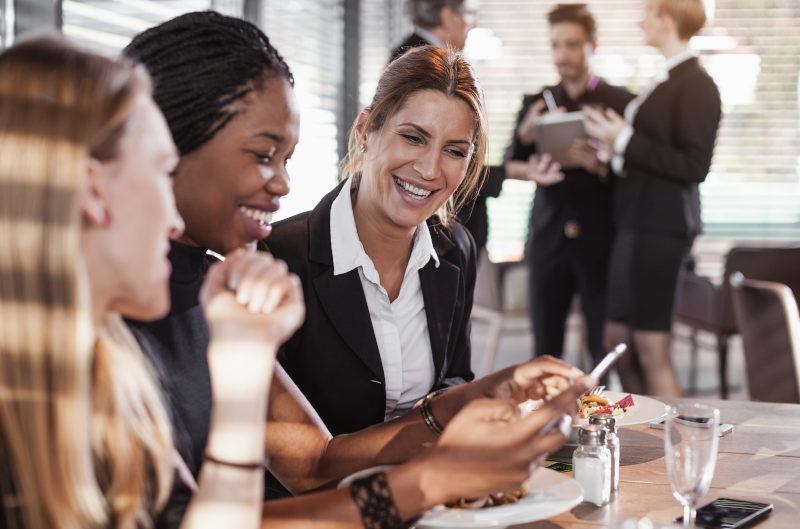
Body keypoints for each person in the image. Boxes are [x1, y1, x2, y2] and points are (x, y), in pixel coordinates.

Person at [122, 11, 596, 528]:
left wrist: (484, 395)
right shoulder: (195, 288)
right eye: (263, 154)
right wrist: (431, 480)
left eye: (286, 158)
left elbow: (306, 464)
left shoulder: (206, 292)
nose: (281, 185)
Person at [0, 35, 304, 529]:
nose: (171, 219)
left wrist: (243, 371)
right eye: (163, 173)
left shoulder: (109, 369)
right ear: (93, 190)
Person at [583, 0, 721, 396]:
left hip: (662, 228)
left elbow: (694, 166)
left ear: (667, 19)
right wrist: (611, 154)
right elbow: (652, 155)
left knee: (650, 345)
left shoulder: (697, 84)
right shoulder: (663, 79)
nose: (640, 20)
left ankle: (671, 443)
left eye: (647, 12)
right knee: (618, 339)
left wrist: (622, 137)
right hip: (635, 222)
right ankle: (644, 427)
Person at [504, 4, 634, 375]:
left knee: (601, 348)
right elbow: (510, 164)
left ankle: (601, 425)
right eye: (556, 45)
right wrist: (526, 134)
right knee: (544, 348)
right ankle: (546, 428)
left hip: (601, 240)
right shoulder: (536, 103)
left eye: (572, 45)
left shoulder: (620, 102)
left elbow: (637, 175)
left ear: (594, 44)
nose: (562, 56)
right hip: (548, 238)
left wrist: (604, 165)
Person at [391, 0, 478, 62]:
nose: (474, 25)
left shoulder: (409, 54)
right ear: (448, 17)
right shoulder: (422, 63)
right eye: (469, 13)